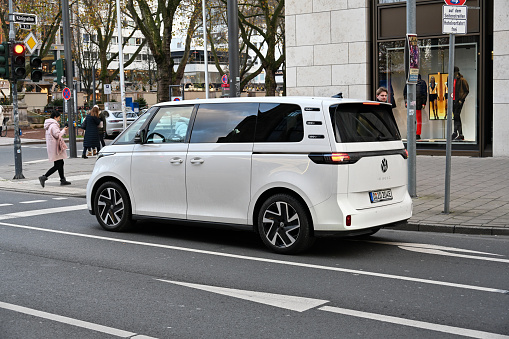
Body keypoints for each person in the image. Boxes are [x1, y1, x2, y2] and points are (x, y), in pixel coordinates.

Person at [38, 111, 71, 187]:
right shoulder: (53, 125)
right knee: (58, 164)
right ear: (55, 117)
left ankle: (62, 179)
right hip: (56, 147)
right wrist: (64, 130)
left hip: (53, 146)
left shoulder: (49, 125)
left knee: (60, 163)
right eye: (59, 117)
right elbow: (57, 135)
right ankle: (44, 177)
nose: (59, 119)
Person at [403, 74, 427, 139]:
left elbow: (424, 93)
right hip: (411, 103)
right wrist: (406, 102)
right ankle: (411, 132)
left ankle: (418, 133)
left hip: (418, 103)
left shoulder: (422, 83)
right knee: (411, 118)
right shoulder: (409, 82)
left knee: (418, 119)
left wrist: (423, 103)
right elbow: (405, 93)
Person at [452, 66, 469, 141]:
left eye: (455, 72)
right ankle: (459, 134)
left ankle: (456, 133)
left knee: (456, 115)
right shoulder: (451, 80)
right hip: (453, 100)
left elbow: (466, 91)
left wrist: (461, 99)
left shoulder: (462, 80)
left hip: (458, 101)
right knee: (456, 116)